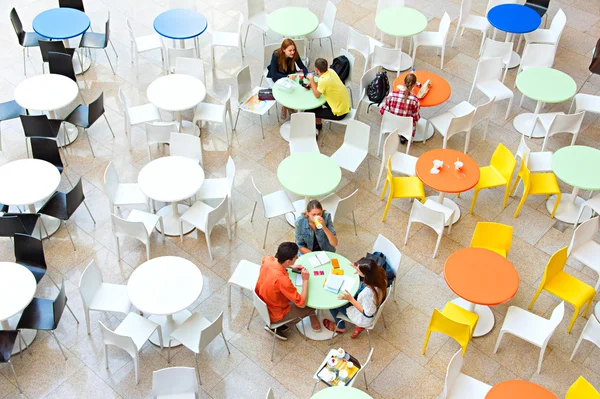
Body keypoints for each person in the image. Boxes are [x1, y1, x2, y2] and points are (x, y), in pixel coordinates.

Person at [254, 242, 321, 340]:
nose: (297, 258)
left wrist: (289, 266)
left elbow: (267, 259)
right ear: (288, 261)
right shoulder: (282, 280)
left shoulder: (268, 259)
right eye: (295, 257)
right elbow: (301, 303)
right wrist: (305, 280)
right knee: (311, 305)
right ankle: (281, 326)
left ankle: (311, 317)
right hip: (275, 311)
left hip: (263, 299)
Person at [323, 258, 388, 338]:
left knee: (333, 304)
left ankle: (340, 327)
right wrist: (359, 270)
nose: (356, 269)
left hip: (363, 317)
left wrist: (351, 299)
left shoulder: (369, 293)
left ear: (366, 274)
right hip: (370, 302)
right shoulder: (380, 273)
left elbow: (367, 314)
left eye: (358, 270)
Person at [267, 38, 309, 119]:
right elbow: (273, 73)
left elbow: (302, 66)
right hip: (278, 75)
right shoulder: (276, 55)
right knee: (287, 87)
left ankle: (286, 106)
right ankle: (286, 106)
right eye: (290, 50)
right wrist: (287, 77)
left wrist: (307, 74)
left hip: (290, 73)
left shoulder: (294, 54)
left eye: (294, 50)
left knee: (295, 86)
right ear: (283, 49)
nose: (293, 52)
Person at [306, 58, 351, 132]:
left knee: (309, 111)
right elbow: (322, 85)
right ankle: (318, 125)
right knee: (318, 104)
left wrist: (311, 79)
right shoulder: (331, 71)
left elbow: (317, 95)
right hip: (345, 105)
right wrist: (312, 84)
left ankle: (315, 130)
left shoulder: (323, 80)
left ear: (316, 69)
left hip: (339, 113)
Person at [380, 72, 421, 145]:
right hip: (405, 128)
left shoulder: (392, 95)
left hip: (390, 124)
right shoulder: (415, 100)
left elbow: (383, 111)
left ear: (403, 82)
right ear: (414, 85)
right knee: (410, 120)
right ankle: (403, 137)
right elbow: (416, 118)